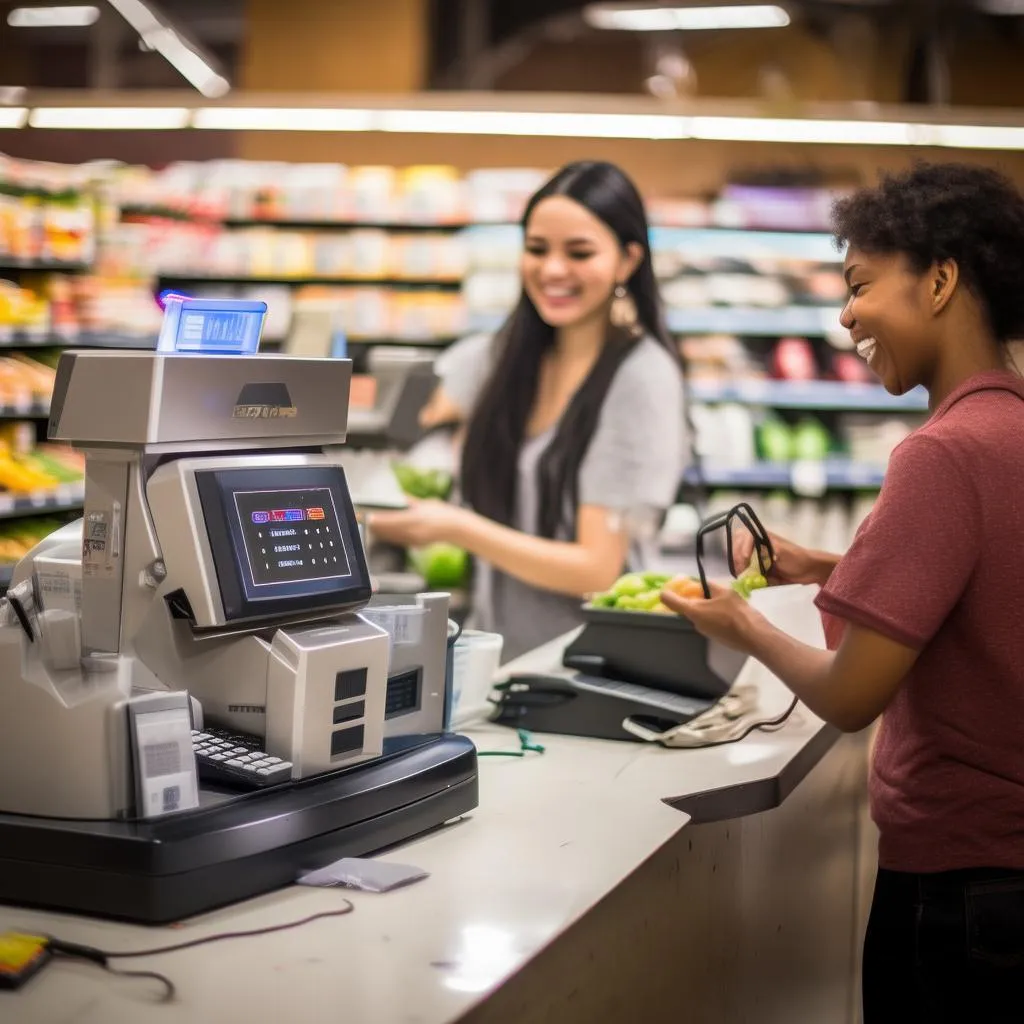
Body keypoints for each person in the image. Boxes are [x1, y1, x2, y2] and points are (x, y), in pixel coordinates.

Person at [661, 162, 1024, 1023]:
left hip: (961, 889)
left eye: (861, 285)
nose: (846, 315)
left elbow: (852, 695)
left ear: (939, 281)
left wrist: (738, 621)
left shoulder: (941, 454)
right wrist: (828, 569)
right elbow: (983, 591)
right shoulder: (1009, 428)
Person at [369, 161, 688, 662]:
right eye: (537, 249)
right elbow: (398, 420)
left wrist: (455, 526)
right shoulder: (503, 356)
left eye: (579, 252)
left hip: (589, 666)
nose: (552, 270)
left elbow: (596, 569)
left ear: (628, 261)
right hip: (497, 658)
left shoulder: (641, 379)